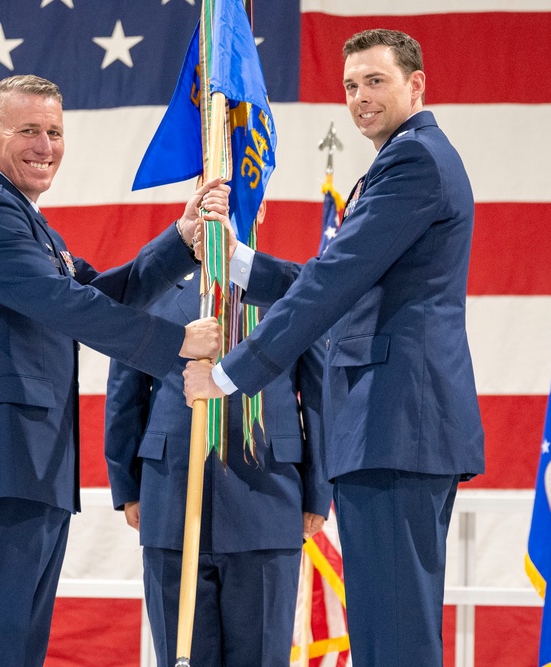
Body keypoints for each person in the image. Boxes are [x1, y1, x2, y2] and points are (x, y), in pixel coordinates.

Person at [183, 29, 485, 666]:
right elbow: (336, 280)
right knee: (385, 627)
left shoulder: (416, 161)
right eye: (350, 85)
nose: (360, 98)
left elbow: (332, 281)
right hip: (386, 424)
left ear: (416, 85)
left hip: (398, 419)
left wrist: (233, 375)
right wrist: (236, 261)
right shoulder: (402, 162)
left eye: (376, 81)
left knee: (395, 633)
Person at [0, 74, 229, 667]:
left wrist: (181, 238)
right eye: (28, 131)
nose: (45, 145)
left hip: (29, 466)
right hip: (0, 460)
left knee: (14, 651)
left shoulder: (26, 220)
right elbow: (71, 307)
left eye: (55, 132)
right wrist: (179, 346)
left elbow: (98, 293)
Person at [104, 207, 332, 667]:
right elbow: (125, 394)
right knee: (182, 655)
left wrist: (318, 491)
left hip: (268, 497)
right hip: (171, 495)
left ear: (258, 207)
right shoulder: (154, 287)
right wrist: (127, 485)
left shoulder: (288, 290)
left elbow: (319, 397)